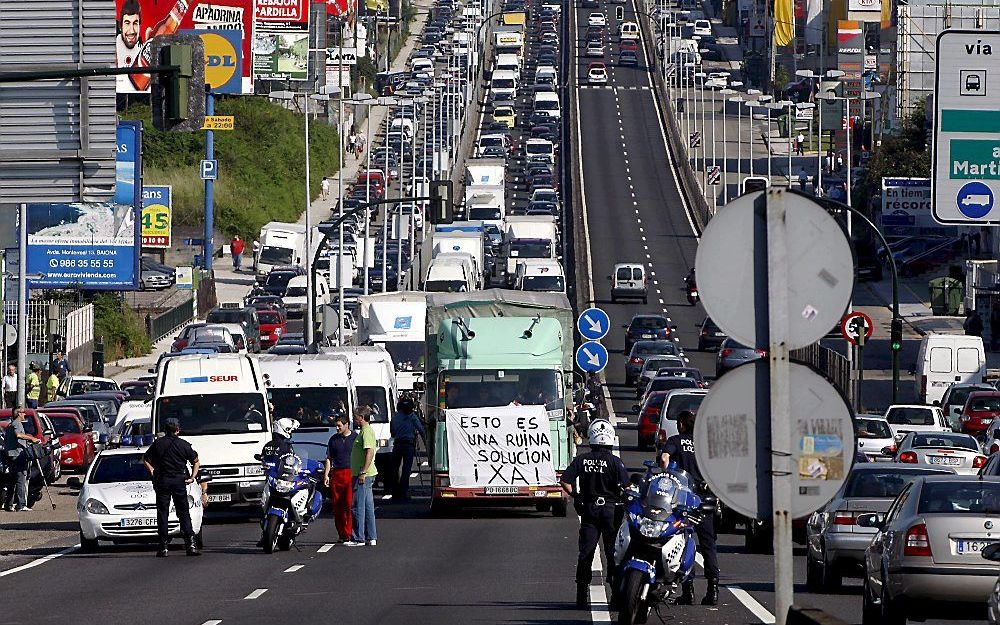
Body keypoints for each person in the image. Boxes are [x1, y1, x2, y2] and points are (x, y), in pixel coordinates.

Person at [560, 419, 629, 609]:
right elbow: (628, 488)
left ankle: (581, 594)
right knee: (613, 553)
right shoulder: (615, 462)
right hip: (611, 511)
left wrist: (576, 495)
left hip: (589, 510)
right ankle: (615, 594)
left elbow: (565, 481)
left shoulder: (582, 459)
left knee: (586, 553)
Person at [659, 411, 718, 605]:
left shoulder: (675, 440)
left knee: (685, 542)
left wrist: (666, 475)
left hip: (685, 499)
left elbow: (664, 458)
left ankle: (688, 590)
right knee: (708, 545)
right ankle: (713, 589)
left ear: (682, 425)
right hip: (704, 499)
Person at [143, 418, 201, 557]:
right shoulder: (184, 445)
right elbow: (196, 461)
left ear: (165, 429)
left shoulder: (158, 444)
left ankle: (163, 546)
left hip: (162, 480)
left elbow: (146, 459)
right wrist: (192, 477)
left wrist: (152, 472)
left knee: (163, 513)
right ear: (178, 429)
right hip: (179, 481)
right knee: (183, 512)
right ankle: (190, 544)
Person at [346, 406, 378, 546]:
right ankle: (371, 537)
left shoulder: (366, 432)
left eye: (356, 417)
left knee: (358, 506)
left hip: (364, 474)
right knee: (368, 507)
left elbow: (370, 452)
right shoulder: (364, 431)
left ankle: (358, 537)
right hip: (365, 473)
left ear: (362, 418)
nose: (354, 419)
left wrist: (363, 472)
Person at [323, 414, 357, 542]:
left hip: (350, 472)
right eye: (336, 426)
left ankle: (349, 532)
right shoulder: (333, 440)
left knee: (349, 504)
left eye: (339, 426)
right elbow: (329, 458)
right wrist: (326, 475)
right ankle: (342, 534)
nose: (337, 428)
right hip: (337, 474)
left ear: (346, 424)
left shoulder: (355, 438)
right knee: (338, 506)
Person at [3, 409, 41, 512]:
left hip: (10, 455)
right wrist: (31, 439)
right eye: (23, 412)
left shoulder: (10, 424)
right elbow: (18, 435)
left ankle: (9, 504)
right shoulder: (17, 423)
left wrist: (28, 436)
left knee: (12, 481)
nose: (24, 414)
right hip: (17, 455)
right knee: (21, 479)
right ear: (19, 414)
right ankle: (21, 504)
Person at [389, 397, 424, 501]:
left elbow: (393, 433)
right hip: (408, 444)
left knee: (395, 468)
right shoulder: (412, 416)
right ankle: (404, 492)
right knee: (406, 469)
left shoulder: (395, 418)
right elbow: (421, 429)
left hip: (398, 444)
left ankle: (395, 492)